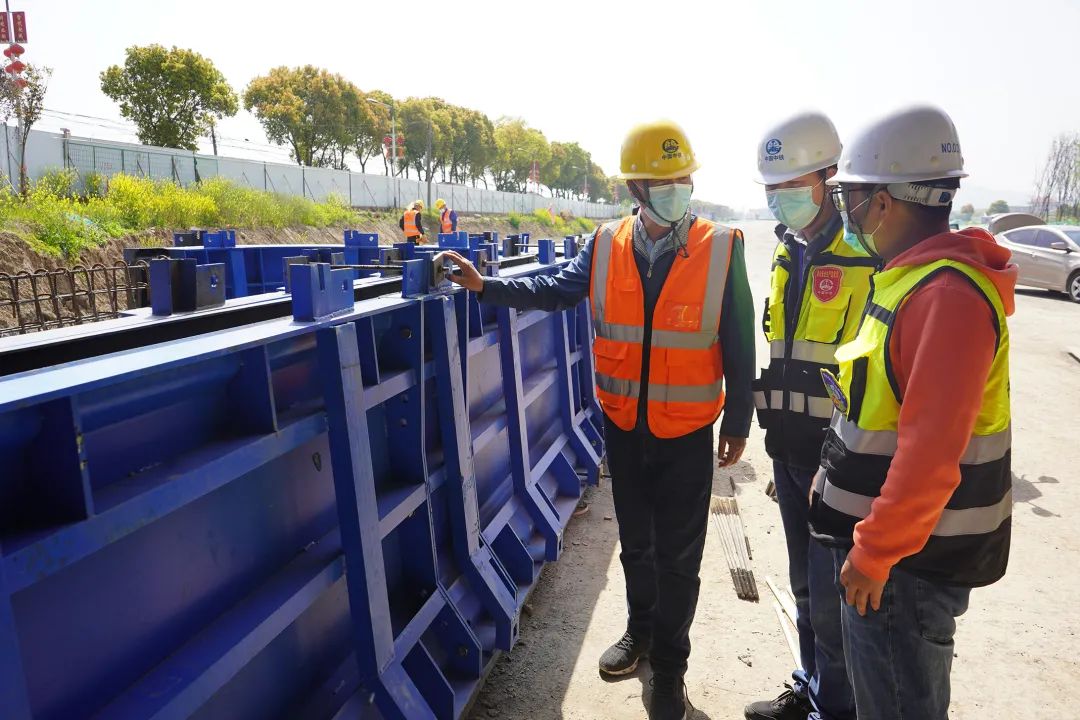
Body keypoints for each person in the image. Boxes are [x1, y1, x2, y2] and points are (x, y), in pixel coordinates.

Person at [444, 120, 755, 720]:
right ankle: (640, 632)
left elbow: (740, 341)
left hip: (687, 432)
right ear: (637, 188)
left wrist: (738, 419)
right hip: (625, 426)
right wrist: (487, 288)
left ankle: (670, 669)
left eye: (684, 179)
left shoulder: (721, 246)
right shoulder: (606, 243)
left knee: (679, 558)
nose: (680, 189)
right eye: (666, 181)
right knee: (636, 543)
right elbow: (556, 289)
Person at [808, 105, 1015, 720]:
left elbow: (929, 456)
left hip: (906, 570)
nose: (847, 213)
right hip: (893, 558)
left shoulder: (945, 295)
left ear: (883, 202)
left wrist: (874, 553)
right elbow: (876, 413)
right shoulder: (908, 281)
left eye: (851, 198)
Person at [745, 112, 875, 720]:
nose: (781, 197)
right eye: (773, 188)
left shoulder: (865, 254)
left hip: (839, 461)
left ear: (829, 177)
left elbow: (873, 375)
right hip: (788, 450)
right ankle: (812, 687)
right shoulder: (785, 249)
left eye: (793, 185)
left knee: (833, 597)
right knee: (803, 586)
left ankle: (835, 709)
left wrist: (837, 459)